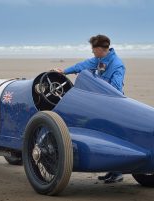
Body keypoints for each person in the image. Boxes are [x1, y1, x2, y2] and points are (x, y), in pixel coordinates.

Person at [54, 34, 125, 183]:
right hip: (99, 103)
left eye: (93, 50)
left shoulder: (117, 64)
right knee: (102, 133)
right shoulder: (98, 60)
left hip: (113, 105)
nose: (92, 53)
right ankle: (111, 171)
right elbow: (83, 65)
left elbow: (116, 89)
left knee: (113, 136)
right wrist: (64, 72)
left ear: (99, 49)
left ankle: (117, 172)